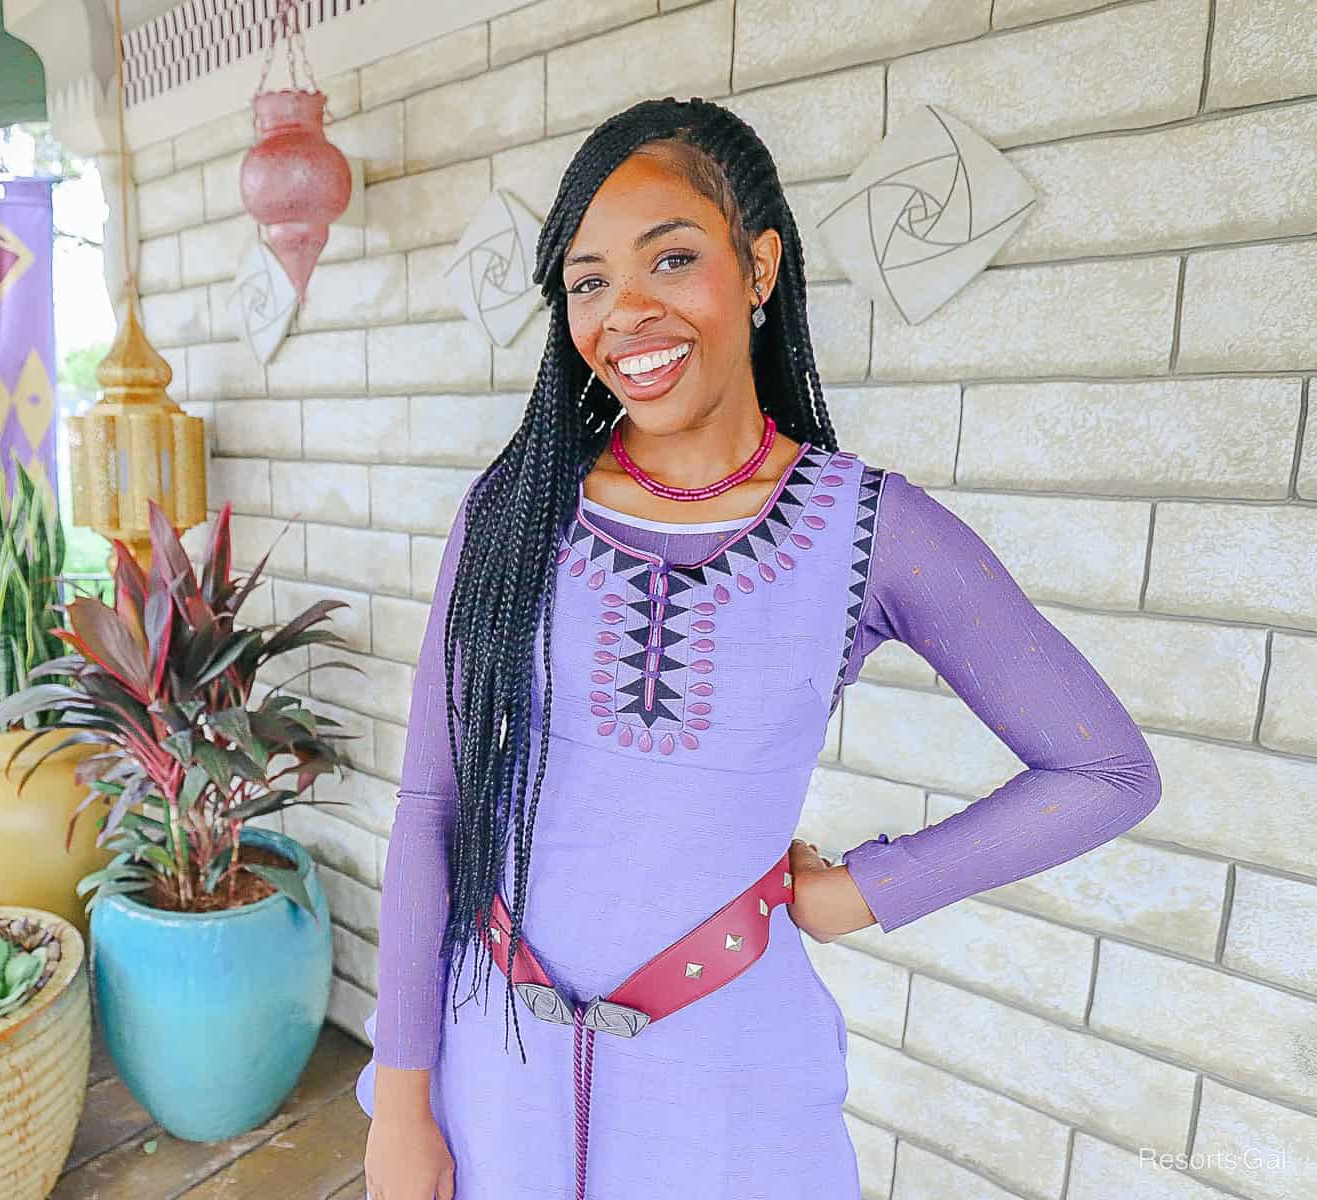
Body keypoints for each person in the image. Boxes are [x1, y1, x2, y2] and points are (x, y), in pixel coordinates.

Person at [353, 97, 1162, 1200]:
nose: (625, 313)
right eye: (588, 281)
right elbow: (428, 808)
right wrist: (402, 1105)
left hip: (732, 1095)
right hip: (491, 1068)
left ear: (760, 264)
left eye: (671, 259)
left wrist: (861, 890)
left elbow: (1105, 771)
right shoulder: (514, 508)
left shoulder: (872, 530)